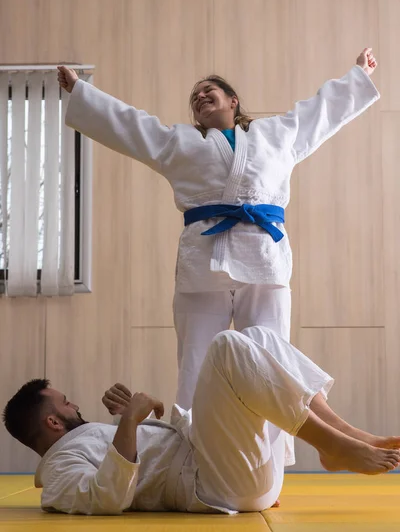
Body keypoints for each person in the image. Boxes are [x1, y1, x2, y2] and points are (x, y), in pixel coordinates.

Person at [57, 49, 379, 467]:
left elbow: (318, 112)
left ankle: (276, 462)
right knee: (196, 362)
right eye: (195, 95)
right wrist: (82, 92)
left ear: (233, 101)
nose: (200, 96)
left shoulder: (277, 134)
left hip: (263, 258)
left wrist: (358, 75)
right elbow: (130, 124)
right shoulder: (177, 142)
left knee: (272, 358)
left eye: (209, 90)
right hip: (202, 264)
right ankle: (194, 459)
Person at [3, 325, 400, 516]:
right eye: (66, 403)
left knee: (259, 336)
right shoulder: (57, 474)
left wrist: (129, 419)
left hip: (234, 471)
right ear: (54, 423)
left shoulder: (83, 441)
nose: (75, 405)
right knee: (226, 346)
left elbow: (139, 462)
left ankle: (343, 435)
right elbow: (107, 499)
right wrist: (128, 425)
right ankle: (331, 444)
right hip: (219, 485)